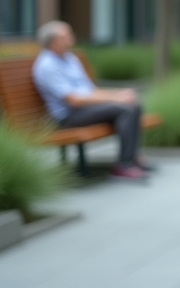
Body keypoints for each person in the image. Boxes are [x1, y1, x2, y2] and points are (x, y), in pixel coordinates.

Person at [31, 21, 152, 180]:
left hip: (84, 109)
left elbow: (91, 91)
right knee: (125, 110)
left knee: (132, 104)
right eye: (65, 36)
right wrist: (116, 98)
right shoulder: (47, 66)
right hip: (67, 117)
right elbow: (73, 100)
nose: (71, 39)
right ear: (53, 42)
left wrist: (119, 94)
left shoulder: (70, 58)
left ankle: (131, 158)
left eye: (70, 35)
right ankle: (124, 166)